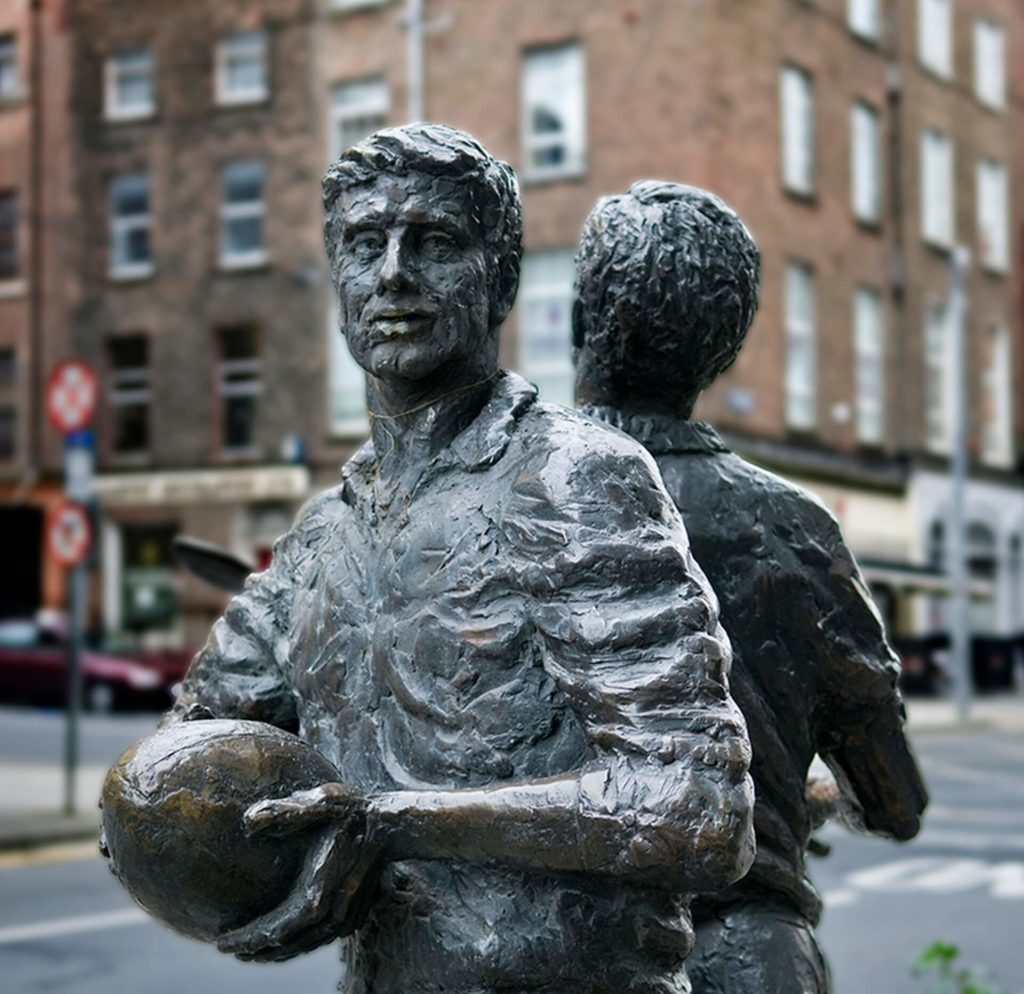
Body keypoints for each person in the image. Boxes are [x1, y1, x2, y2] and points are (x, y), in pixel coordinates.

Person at [165, 127, 755, 994]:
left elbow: (698, 809)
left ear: (503, 280)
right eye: (366, 245)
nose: (394, 272)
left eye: (435, 242)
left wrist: (394, 822)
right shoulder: (320, 539)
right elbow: (183, 763)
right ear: (338, 281)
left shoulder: (571, 479)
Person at [573, 180, 928, 994]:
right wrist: (802, 793)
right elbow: (893, 797)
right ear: (726, 352)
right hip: (746, 958)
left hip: (546, 956)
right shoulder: (794, 528)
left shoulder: (497, 502)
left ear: (578, 323)